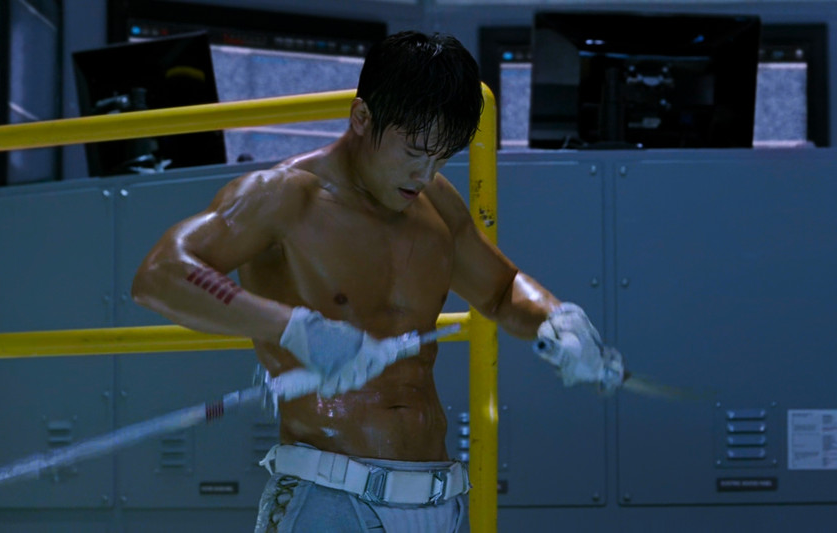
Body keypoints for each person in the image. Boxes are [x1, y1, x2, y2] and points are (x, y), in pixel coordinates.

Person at [131, 31, 623, 533]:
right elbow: (160, 274)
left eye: (442, 157)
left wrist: (557, 320)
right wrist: (293, 328)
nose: (425, 173)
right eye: (414, 150)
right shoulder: (283, 197)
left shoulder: (437, 202)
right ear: (362, 117)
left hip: (440, 502)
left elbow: (500, 290)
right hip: (330, 500)